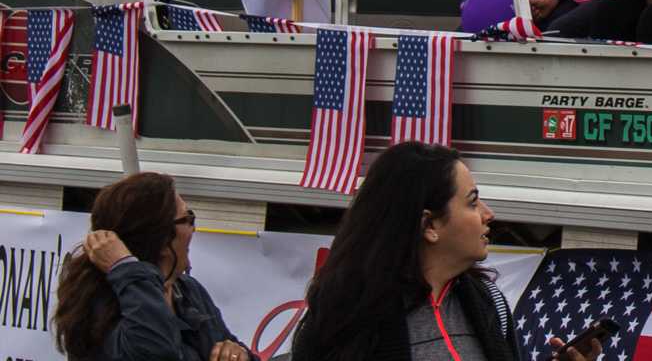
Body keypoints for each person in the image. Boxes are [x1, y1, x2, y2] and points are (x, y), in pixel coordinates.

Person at [292, 140, 598, 361]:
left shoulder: (487, 301)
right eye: (472, 201)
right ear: (429, 225)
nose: (487, 214)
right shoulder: (345, 316)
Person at [53, 171, 253, 361]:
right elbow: (153, 349)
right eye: (187, 218)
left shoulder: (187, 291)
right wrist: (125, 267)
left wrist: (238, 354)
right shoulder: (99, 303)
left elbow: (226, 346)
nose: (193, 229)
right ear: (162, 238)